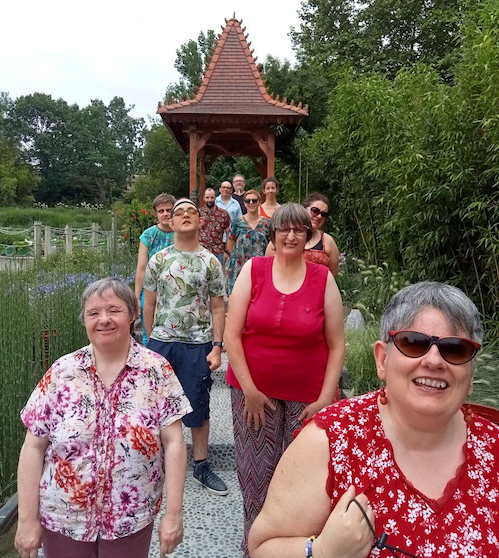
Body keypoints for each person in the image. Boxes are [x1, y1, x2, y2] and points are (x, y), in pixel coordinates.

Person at [249, 281, 499, 558]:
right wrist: (321, 551)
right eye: (414, 342)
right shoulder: (333, 439)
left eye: (456, 349)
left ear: (472, 374)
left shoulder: (493, 449)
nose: (434, 361)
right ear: (382, 360)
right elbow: (263, 546)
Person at [15, 277, 191, 558]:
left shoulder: (156, 371)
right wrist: (26, 520)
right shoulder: (63, 371)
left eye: (114, 310)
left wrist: (174, 514)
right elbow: (33, 446)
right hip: (63, 519)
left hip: (130, 520)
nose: (104, 320)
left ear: (133, 314)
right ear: (84, 320)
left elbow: (174, 444)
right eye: (93, 313)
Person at [225, 203, 345, 557]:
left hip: (308, 399)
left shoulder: (322, 279)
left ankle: (291, 549)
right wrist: (249, 389)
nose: (290, 236)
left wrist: (326, 398)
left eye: (298, 230)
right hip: (252, 392)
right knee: (254, 474)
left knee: (301, 481)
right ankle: (255, 545)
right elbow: (232, 335)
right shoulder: (254, 270)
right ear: (273, 234)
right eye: (283, 229)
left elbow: (337, 345)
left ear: (308, 236)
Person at [143, 198, 229, 496]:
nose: (184, 216)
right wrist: (147, 342)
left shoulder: (210, 262)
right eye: (178, 212)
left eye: (190, 211)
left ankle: (201, 464)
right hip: (162, 342)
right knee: (157, 405)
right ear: (172, 221)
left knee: (198, 405)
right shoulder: (159, 259)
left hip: (198, 343)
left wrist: (217, 346)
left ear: (199, 220)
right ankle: (155, 463)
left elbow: (218, 308)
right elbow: (150, 302)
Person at [266, 193, 340, 278]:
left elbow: (333, 274)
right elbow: (268, 268)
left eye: (324, 214)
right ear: (304, 209)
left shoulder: (328, 241)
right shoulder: (281, 239)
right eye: (315, 210)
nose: (319, 216)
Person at [135, 193, 176, 344]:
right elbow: (141, 268)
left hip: (174, 289)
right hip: (152, 288)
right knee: (149, 331)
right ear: (156, 213)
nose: (165, 214)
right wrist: (137, 296)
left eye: (168, 210)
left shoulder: (181, 233)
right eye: (161, 211)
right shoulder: (149, 235)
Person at [225, 190, 270, 296]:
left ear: (259, 202)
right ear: (244, 203)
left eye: (254, 200)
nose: (251, 203)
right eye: (248, 201)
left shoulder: (267, 223)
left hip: (261, 268)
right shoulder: (236, 222)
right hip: (239, 268)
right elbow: (230, 246)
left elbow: (271, 246)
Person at [199, 188, 231, 265]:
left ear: (215, 198)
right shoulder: (198, 213)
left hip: (218, 251)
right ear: (203, 198)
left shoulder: (223, 214)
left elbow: (229, 233)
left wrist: (227, 251)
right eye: (207, 197)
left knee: (218, 276)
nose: (210, 200)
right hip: (201, 251)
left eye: (212, 197)